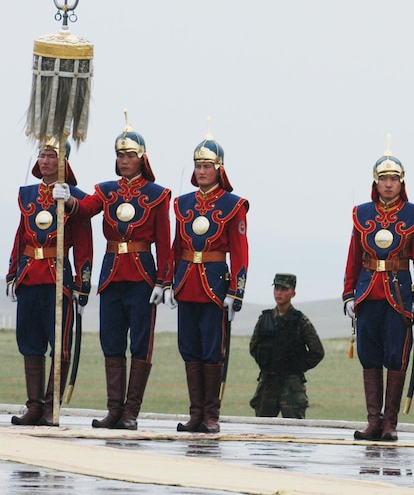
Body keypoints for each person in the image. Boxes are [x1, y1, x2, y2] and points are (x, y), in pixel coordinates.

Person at [66, 115, 172, 431]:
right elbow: (84, 209)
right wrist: (68, 198)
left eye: (130, 156)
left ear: (142, 158)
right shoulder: (107, 191)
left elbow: (164, 243)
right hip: (112, 274)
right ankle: (114, 409)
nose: (124, 161)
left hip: (142, 277)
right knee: (111, 343)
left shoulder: (158, 194)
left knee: (140, 344)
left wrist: (163, 280)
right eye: (120, 156)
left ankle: (131, 413)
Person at [344, 144, 414, 442]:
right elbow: (353, 257)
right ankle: (373, 421)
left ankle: (390, 423)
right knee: (369, 357)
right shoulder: (361, 214)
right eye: (383, 178)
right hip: (368, 293)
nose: (388, 184)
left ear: (401, 182)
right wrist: (348, 294)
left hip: (398, 295)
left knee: (396, 357)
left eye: (394, 179)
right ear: (375, 182)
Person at [169, 129, 250, 433]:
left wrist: (236, 292)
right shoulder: (183, 204)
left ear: (219, 169)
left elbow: (240, 253)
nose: (201, 172)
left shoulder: (233, 204)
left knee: (212, 351)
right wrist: (170, 283)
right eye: (198, 166)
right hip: (187, 283)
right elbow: (178, 247)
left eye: (207, 166)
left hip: (215, 287)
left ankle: (210, 415)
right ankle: (194, 414)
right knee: (189, 348)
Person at [7, 139, 93, 426]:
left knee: (60, 344)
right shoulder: (28, 195)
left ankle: (50, 406)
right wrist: (13, 272)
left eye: (51, 156)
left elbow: (83, 244)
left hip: (58, 279)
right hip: (30, 274)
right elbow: (21, 235)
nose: (45, 161)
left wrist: (82, 283)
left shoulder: (75, 198)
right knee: (30, 343)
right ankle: (34, 406)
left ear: (63, 161)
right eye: (42, 155)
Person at [250, 273, 324, 418]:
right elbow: (254, 347)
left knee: (294, 430)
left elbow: (317, 351)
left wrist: (298, 366)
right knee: (262, 431)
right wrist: (267, 362)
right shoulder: (265, 319)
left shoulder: (300, 320)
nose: (279, 293)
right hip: (268, 382)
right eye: (277, 289)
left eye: (284, 289)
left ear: (293, 293)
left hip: (291, 385)